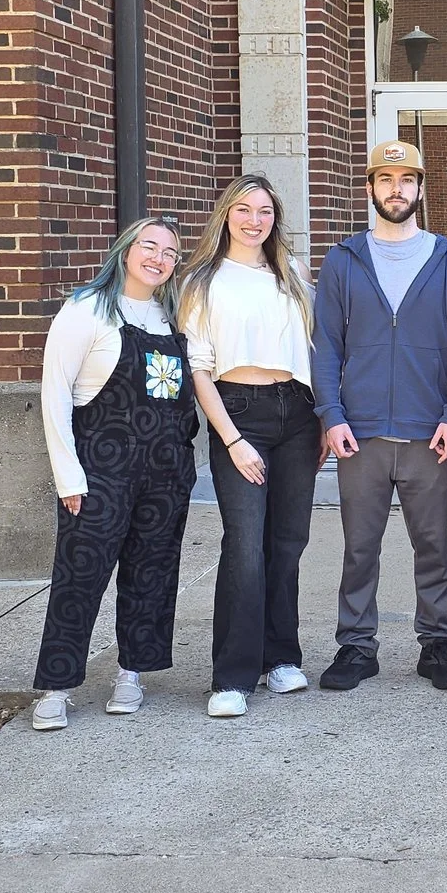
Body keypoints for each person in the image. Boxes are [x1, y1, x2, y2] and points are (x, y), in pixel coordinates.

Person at [311, 139, 447, 693]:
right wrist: (331, 415)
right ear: (370, 188)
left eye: (407, 179)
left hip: (429, 431)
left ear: (420, 188)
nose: (396, 189)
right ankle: (357, 646)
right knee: (360, 547)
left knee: (433, 545)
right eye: (385, 179)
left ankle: (436, 643)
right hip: (359, 432)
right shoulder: (343, 260)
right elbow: (326, 346)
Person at [28, 216, 198, 731]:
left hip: (166, 473)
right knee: (79, 578)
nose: (158, 258)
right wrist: (68, 477)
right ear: (126, 249)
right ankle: (56, 687)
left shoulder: (173, 317)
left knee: (152, 574)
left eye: (169, 252)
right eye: (149, 246)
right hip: (100, 470)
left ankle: (132, 674)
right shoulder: (86, 309)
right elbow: (55, 395)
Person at [182, 175, 320, 720]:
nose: (253, 220)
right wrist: (232, 439)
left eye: (264, 211)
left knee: (287, 542)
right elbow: (198, 368)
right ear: (225, 215)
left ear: (275, 218)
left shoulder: (294, 275)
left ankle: (280, 657)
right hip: (238, 411)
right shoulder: (203, 280)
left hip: (298, 412)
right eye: (243, 209)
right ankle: (233, 676)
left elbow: (315, 349)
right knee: (244, 544)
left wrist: (321, 420)